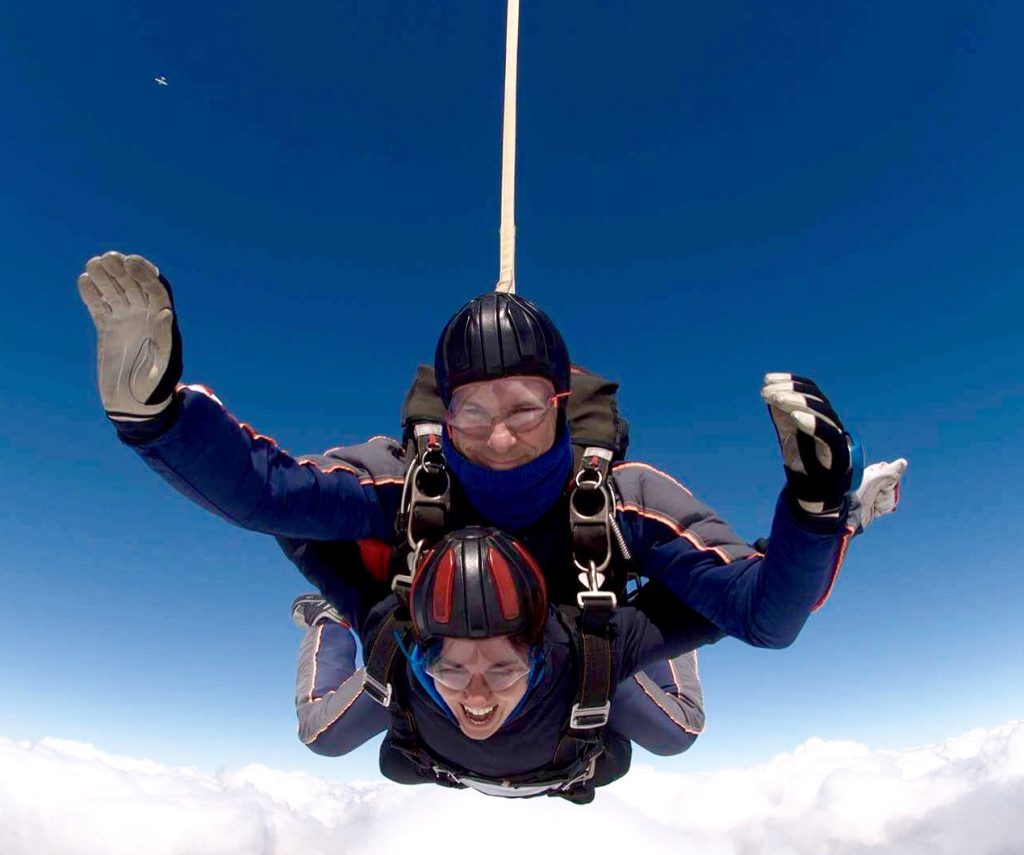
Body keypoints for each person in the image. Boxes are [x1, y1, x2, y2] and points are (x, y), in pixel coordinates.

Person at [78, 252, 904, 661]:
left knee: (671, 724)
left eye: (520, 408)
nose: (499, 435)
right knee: (331, 729)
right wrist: (155, 417)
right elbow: (270, 494)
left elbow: (764, 617)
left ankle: (832, 535)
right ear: (445, 412)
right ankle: (340, 616)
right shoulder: (409, 478)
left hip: (576, 661)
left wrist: (814, 503)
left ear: (557, 405)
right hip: (427, 659)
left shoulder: (623, 498)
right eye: (472, 410)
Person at [292, 526, 725, 802]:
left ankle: (660, 626)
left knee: (675, 733)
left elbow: (302, 538)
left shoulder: (580, 660)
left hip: (565, 675)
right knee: (323, 735)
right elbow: (298, 534)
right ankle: (328, 619)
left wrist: (662, 631)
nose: (477, 695)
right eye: (453, 668)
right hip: (436, 670)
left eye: (501, 669)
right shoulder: (401, 654)